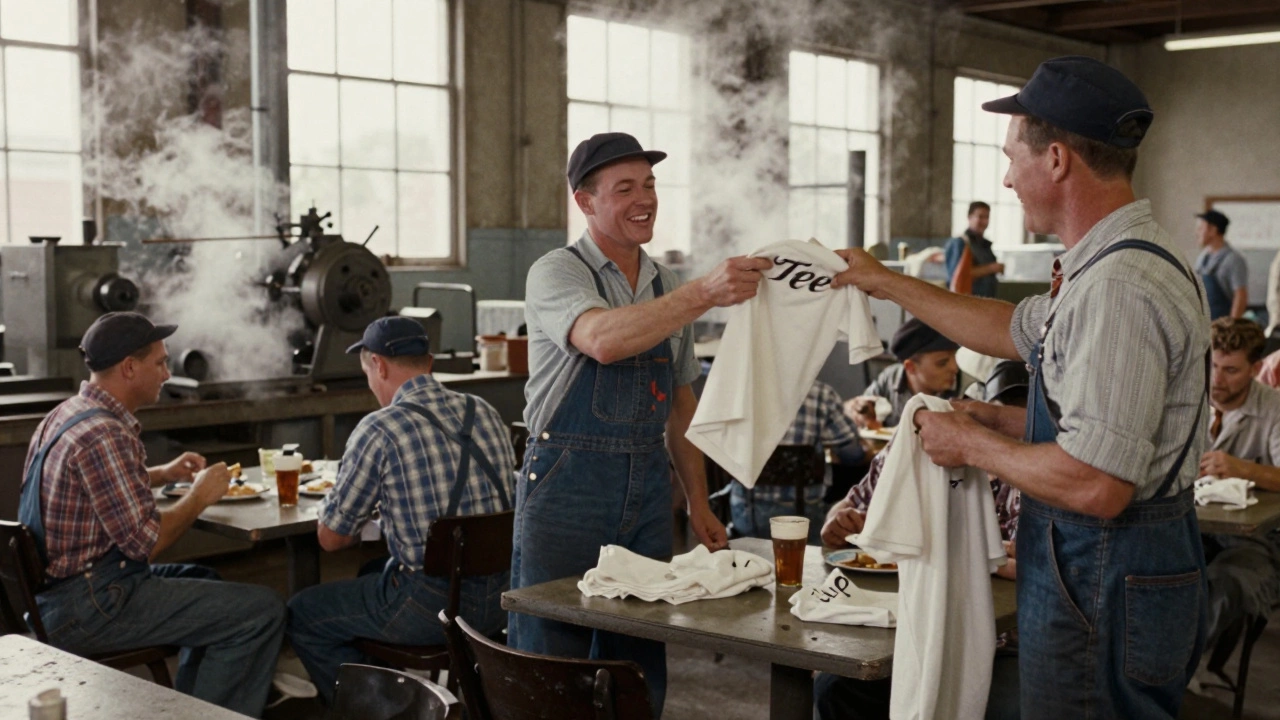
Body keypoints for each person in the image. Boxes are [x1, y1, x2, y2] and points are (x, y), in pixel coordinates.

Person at [832, 56, 1209, 718]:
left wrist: (968, 446)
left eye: (1012, 158)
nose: (1006, 178)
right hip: (1109, 570)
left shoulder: (1117, 289)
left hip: (1103, 571)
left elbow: (1098, 483)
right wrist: (881, 281)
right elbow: (1012, 328)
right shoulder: (1111, 264)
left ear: (1057, 160)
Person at [508, 131, 771, 715]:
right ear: (585, 201)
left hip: (649, 487)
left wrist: (698, 502)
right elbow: (601, 340)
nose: (643, 198)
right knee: (552, 656)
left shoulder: (662, 283)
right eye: (624, 187)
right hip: (566, 485)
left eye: (649, 184)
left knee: (638, 656)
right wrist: (705, 292)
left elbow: (680, 405)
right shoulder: (556, 272)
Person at [21, 312, 285, 718]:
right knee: (260, 610)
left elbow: (97, 488)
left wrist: (161, 474)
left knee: (208, 582)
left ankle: (189, 707)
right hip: (88, 606)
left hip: (55, 598)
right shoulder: (104, 434)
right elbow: (149, 544)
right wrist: (199, 495)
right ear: (129, 367)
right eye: (160, 363)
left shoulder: (67, 414)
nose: (166, 373)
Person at [287, 317, 514, 704]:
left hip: (434, 607)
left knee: (303, 613)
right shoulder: (484, 411)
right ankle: (401, 693)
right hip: (503, 601)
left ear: (378, 364)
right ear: (428, 362)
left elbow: (331, 539)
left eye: (368, 373)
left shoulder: (380, 428)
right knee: (370, 573)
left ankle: (384, 712)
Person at [814, 359, 1029, 720]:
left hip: (1006, 643)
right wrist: (837, 518)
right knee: (835, 689)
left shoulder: (1036, 472)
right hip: (910, 628)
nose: (1006, 428)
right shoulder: (919, 448)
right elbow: (854, 501)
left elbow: (1043, 567)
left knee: (1007, 708)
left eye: (1019, 420)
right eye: (998, 415)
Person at [1197, 318, 1280, 655]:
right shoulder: (1188, 400)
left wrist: (1243, 469)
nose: (1217, 379)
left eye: (1230, 370)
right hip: (1195, 531)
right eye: (1213, 366)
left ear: (1256, 368)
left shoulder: (1274, 408)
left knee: (1227, 586)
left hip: (1257, 541)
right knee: (1149, 571)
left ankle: (1172, 676)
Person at [728, 380, 860, 544]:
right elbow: (854, 455)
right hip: (803, 519)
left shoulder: (736, 390)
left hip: (746, 514)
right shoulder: (821, 394)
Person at [844, 318, 974, 428]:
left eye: (955, 358)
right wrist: (854, 409)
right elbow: (858, 406)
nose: (955, 368)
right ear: (910, 367)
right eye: (942, 363)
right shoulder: (890, 378)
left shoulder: (969, 389)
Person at [1194, 209, 1247, 320]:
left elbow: (1240, 295)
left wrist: (1231, 326)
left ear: (1213, 230)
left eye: (1201, 228)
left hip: (1222, 325)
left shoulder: (1234, 259)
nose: (1197, 232)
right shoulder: (1202, 258)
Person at [944, 201, 1004, 297]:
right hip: (966, 303)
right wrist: (991, 268)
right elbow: (957, 275)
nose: (983, 221)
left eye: (986, 217)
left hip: (985, 301)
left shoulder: (985, 245)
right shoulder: (960, 243)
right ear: (969, 217)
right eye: (980, 216)